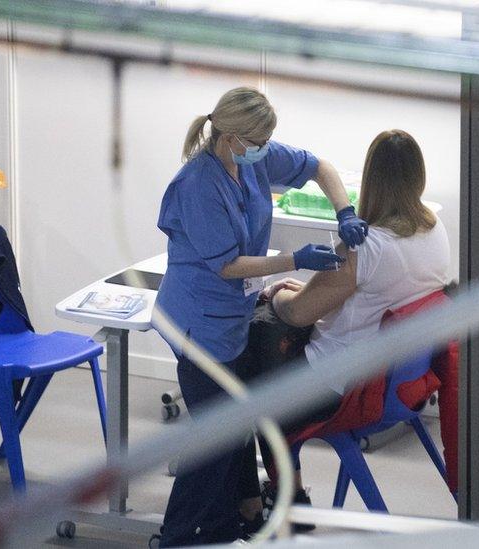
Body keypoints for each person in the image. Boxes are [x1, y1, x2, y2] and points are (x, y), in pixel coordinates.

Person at [154, 87, 368, 547]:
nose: (265, 148)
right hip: (196, 321)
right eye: (258, 140)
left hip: (231, 314)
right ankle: (175, 536)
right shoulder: (196, 185)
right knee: (214, 441)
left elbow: (320, 166)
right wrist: (294, 261)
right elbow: (227, 265)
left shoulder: (254, 160)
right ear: (230, 137)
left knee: (232, 426)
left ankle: (230, 524)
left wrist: (344, 210)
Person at [261, 129, 452, 503]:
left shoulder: (364, 248)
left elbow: (299, 315)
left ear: (370, 178)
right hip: (402, 383)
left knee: (256, 376)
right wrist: (304, 290)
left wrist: (278, 293)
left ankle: (286, 498)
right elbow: (374, 298)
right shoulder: (434, 228)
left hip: (343, 387)